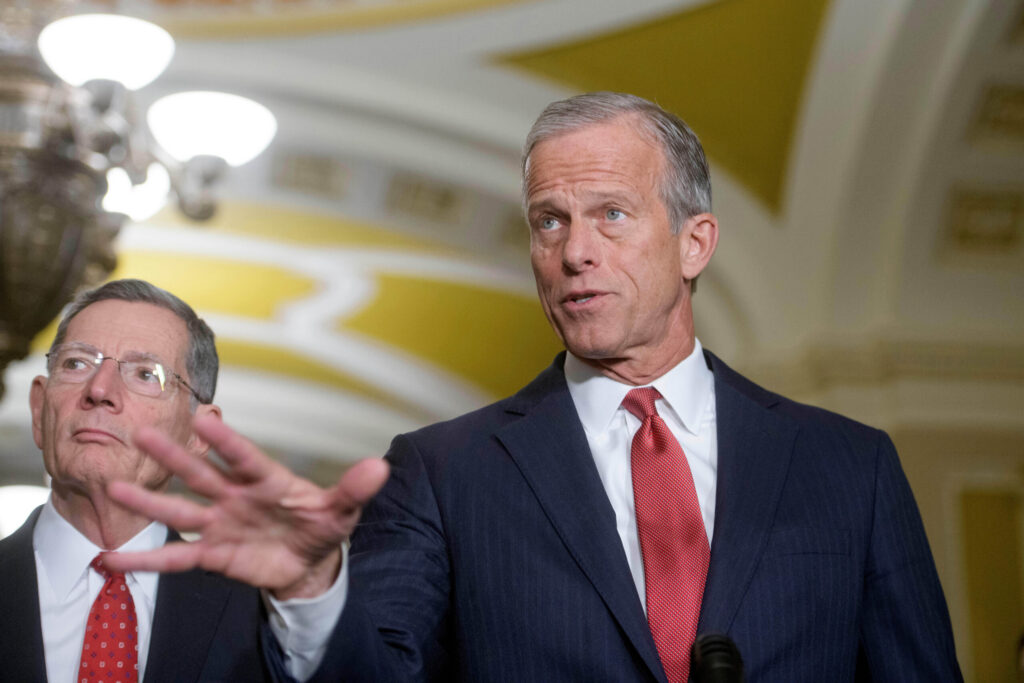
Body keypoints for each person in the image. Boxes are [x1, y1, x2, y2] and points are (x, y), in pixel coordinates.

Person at [104, 93, 963, 681]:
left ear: (695, 242)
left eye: (611, 214)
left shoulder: (849, 466)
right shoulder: (442, 473)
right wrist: (312, 590)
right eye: (550, 221)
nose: (574, 251)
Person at [0, 279, 381, 682]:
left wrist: (310, 585)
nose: (99, 389)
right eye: (76, 363)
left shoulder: (270, 614)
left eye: (145, 374)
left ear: (198, 433)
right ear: (39, 409)